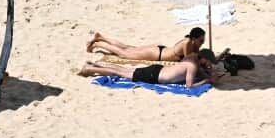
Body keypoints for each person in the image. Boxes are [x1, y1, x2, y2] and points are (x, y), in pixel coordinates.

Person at [78, 49, 219, 89]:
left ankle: (96, 65)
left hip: (157, 69)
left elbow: (198, 70)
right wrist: (207, 80)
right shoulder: (193, 66)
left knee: (123, 69)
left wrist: (208, 71)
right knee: (119, 72)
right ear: (204, 59)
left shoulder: (193, 56)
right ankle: (89, 69)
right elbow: (189, 85)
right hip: (154, 76)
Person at [87, 27, 206, 63]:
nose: (202, 43)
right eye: (201, 40)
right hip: (156, 54)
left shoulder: (190, 41)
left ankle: (100, 37)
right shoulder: (187, 43)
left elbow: (196, 55)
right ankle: (98, 44)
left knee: (128, 48)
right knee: (124, 54)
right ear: (194, 39)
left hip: (159, 50)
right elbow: (188, 60)